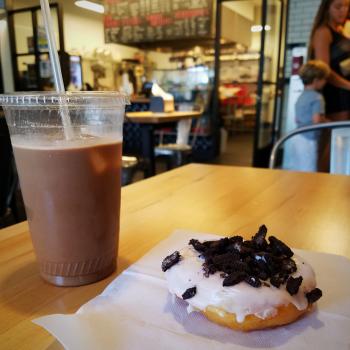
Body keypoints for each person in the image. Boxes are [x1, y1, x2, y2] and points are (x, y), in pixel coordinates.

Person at [309, 0, 350, 170]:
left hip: (344, 92)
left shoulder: (341, 30)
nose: (343, 10)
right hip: (335, 95)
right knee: (332, 142)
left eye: (347, 6)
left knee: (341, 143)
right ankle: (320, 184)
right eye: (338, 6)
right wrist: (348, 85)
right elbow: (324, 69)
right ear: (327, 7)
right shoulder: (323, 32)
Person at [292, 61, 330, 172]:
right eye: (325, 79)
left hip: (297, 136)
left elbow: (297, 118)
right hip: (309, 139)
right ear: (316, 80)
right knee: (309, 171)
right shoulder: (317, 97)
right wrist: (329, 122)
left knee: (298, 168)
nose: (326, 82)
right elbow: (316, 120)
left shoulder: (301, 96)